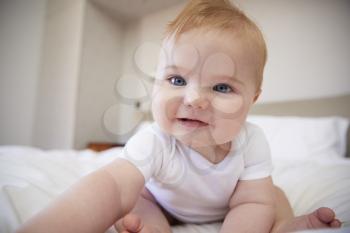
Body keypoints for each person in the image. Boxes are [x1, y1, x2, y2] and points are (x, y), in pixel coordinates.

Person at [17, 1, 342, 233]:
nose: (195, 99)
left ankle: (284, 227)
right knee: (136, 198)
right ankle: (157, 227)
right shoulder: (154, 139)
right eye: (177, 80)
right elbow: (114, 187)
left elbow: (250, 205)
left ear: (251, 100)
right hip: (162, 202)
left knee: (272, 196)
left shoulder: (251, 142)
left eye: (221, 86)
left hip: (227, 207)